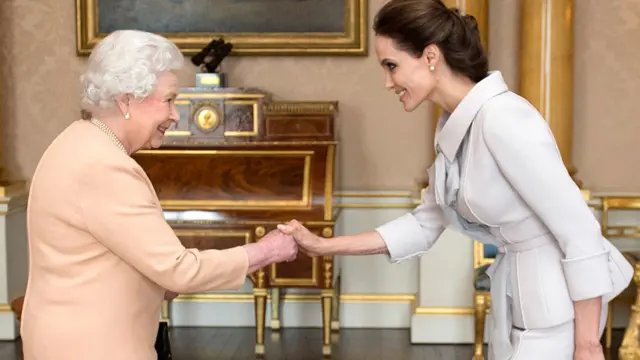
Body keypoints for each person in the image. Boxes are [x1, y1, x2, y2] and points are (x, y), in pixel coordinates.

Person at [276, 1, 633, 359]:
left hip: (558, 311)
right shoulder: (454, 126)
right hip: (516, 303)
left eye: (391, 66)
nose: (387, 83)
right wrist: (324, 246)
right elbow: (425, 223)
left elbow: (580, 230)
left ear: (430, 55)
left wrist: (587, 345)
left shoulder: (504, 118)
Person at [21, 29, 297, 360]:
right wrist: (266, 250)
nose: (175, 115)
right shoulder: (104, 167)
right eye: (168, 100)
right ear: (126, 100)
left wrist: (164, 277)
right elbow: (178, 270)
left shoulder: (78, 141)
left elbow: (120, 258)